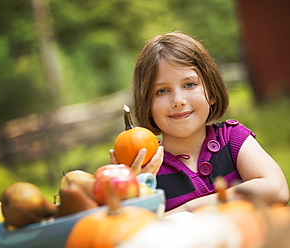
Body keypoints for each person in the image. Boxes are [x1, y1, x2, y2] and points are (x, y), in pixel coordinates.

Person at [109, 32, 289, 213]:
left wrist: (189, 208)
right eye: (162, 91)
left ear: (210, 93)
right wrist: (133, 189)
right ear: (147, 104)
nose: (178, 100)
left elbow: (277, 190)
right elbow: (136, 229)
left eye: (189, 85)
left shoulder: (232, 138)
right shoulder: (147, 169)